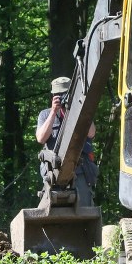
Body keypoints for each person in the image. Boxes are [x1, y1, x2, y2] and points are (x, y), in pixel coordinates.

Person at [36, 76, 97, 206]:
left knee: (84, 206)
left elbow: (91, 133)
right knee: (54, 207)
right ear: (53, 96)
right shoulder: (45, 115)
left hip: (80, 169)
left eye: (66, 94)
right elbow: (41, 138)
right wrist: (53, 112)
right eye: (58, 95)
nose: (63, 97)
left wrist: (82, 110)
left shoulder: (81, 112)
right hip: (54, 171)